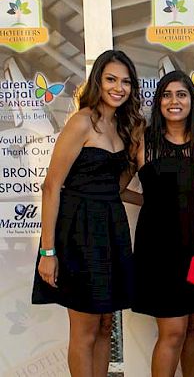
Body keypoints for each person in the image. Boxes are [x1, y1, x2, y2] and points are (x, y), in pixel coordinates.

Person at [32, 50, 144, 377]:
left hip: (111, 227)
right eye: (111, 79)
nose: (118, 87)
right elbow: (51, 187)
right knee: (85, 328)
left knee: (107, 324)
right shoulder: (81, 121)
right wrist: (48, 252)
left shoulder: (125, 127)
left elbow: (120, 189)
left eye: (125, 81)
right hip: (78, 230)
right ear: (98, 81)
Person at [126, 70, 194, 377]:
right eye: (167, 95)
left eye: (181, 94)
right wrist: (150, 204)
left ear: (192, 100)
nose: (174, 101)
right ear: (158, 102)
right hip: (158, 251)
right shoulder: (144, 142)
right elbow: (118, 188)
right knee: (173, 330)